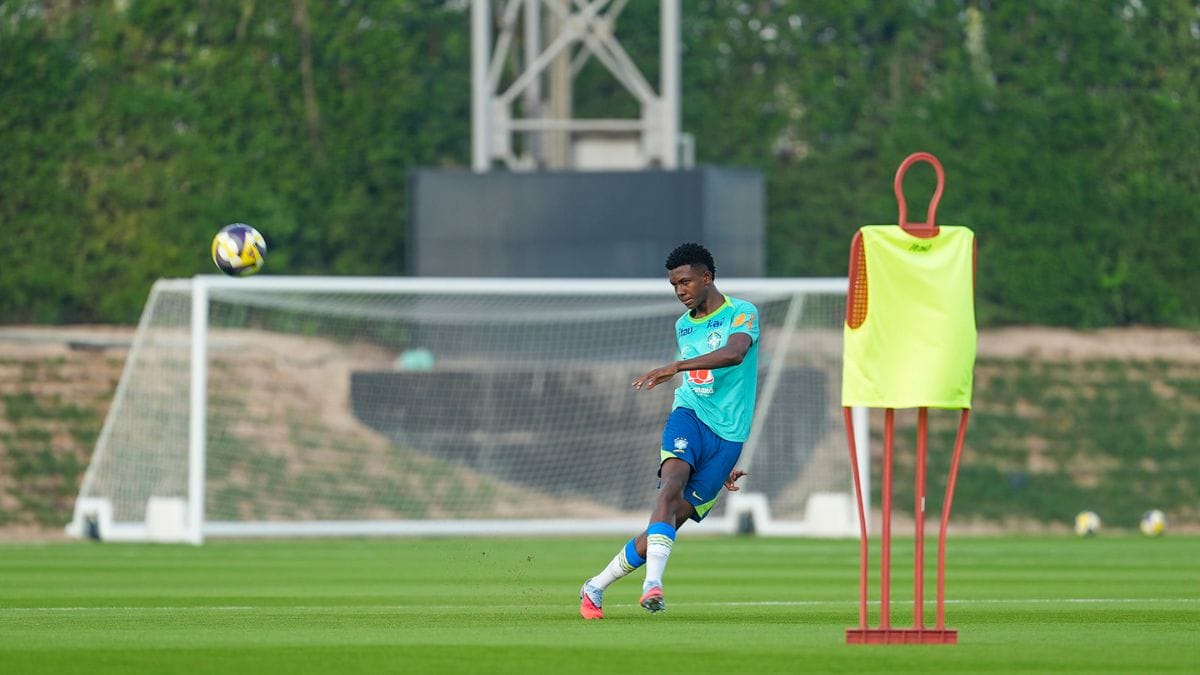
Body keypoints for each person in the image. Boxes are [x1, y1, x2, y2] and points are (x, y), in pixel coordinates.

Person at [579, 242, 761, 618]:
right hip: (689, 415)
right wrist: (680, 373)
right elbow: (698, 377)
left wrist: (675, 366)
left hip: (728, 436)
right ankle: (652, 587)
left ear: (707, 277)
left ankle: (595, 586)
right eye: (674, 285)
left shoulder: (742, 313)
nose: (680, 291)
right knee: (670, 486)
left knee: (671, 518)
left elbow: (734, 354)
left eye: (686, 281)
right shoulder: (683, 324)